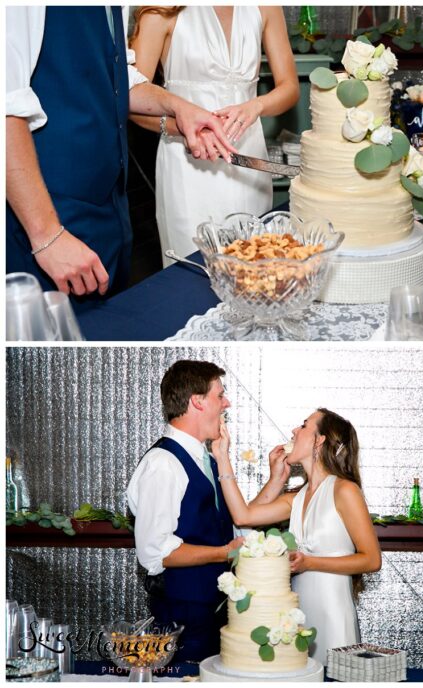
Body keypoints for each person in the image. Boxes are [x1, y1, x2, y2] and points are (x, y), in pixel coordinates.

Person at [6, 6, 235, 303]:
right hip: (46, 218)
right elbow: (6, 104)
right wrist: (47, 236)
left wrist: (179, 107)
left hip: (109, 212)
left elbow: (117, 78)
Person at [130, 6, 299, 266]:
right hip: (189, 168)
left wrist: (257, 105)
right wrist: (185, 129)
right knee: (194, 273)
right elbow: (131, 100)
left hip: (249, 161)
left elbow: (289, 87)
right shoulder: (161, 9)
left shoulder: (266, 6)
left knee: (256, 268)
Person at [212, 408, 382, 665]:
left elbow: (372, 560)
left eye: (303, 426)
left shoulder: (345, 490)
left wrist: (311, 562)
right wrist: (223, 457)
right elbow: (242, 516)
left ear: (319, 440)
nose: (293, 431)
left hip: (333, 614)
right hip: (297, 618)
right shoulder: (296, 498)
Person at [127, 360, 249, 662]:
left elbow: (230, 521)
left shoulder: (206, 459)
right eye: (219, 395)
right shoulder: (163, 464)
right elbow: (156, 553)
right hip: (183, 620)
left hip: (213, 613)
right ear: (197, 401)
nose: (227, 403)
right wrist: (223, 553)